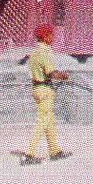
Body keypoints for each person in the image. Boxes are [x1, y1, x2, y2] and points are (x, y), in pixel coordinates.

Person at [21, 24, 70, 166]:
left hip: (36, 88)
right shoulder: (45, 53)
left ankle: (54, 151)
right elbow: (51, 73)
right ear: (45, 37)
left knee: (49, 121)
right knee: (42, 122)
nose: (52, 38)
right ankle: (28, 153)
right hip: (45, 89)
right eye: (50, 35)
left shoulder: (35, 53)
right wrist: (64, 76)